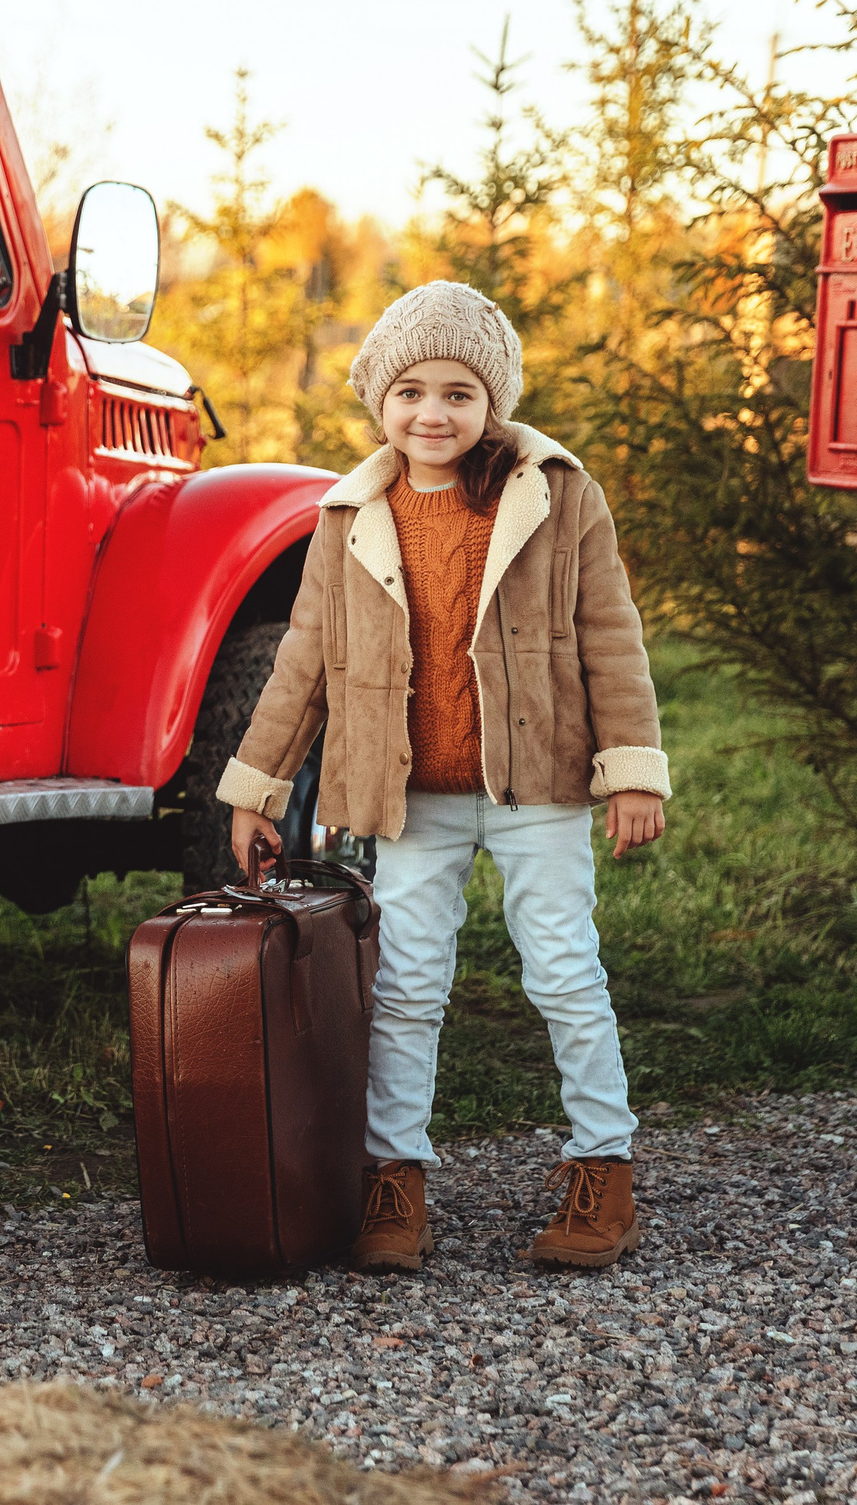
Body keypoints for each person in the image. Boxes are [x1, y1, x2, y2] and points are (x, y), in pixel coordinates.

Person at [216, 280, 668, 1271]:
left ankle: (603, 1166)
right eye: (410, 390)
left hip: (536, 788)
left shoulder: (555, 492)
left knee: (562, 972)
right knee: (408, 987)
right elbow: (303, 663)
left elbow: (611, 635)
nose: (433, 412)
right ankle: (394, 1179)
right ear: (379, 400)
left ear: (490, 401)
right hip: (408, 798)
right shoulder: (348, 514)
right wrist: (255, 786)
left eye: (459, 392)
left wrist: (631, 770)